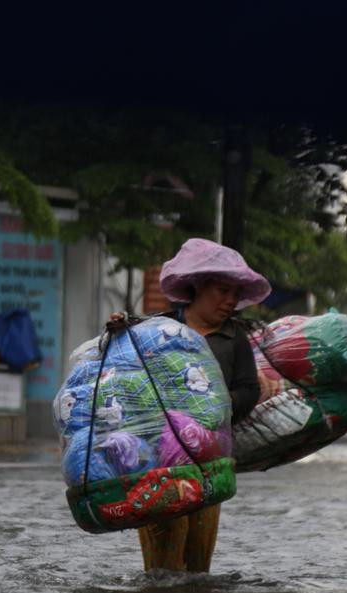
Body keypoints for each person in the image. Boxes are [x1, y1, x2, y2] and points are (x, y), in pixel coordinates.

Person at [113, 238, 279, 573]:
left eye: (236, 294)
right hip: (158, 465)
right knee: (161, 562)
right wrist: (119, 332)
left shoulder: (235, 340)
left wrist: (216, 403)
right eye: (223, 291)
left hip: (209, 463)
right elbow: (127, 382)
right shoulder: (160, 329)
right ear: (199, 286)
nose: (230, 301)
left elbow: (247, 390)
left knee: (197, 562)